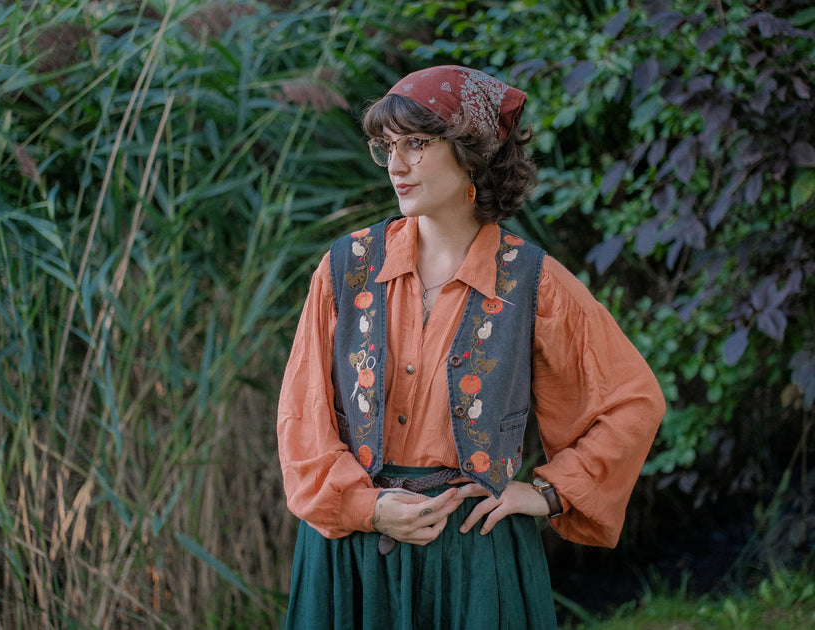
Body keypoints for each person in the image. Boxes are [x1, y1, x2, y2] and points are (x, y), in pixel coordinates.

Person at [277, 65, 665, 629]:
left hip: (472, 558)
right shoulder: (346, 267)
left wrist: (548, 493)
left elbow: (632, 401)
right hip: (353, 552)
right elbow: (301, 415)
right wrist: (368, 508)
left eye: (416, 144)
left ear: (472, 153)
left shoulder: (533, 282)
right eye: (387, 146)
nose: (396, 164)